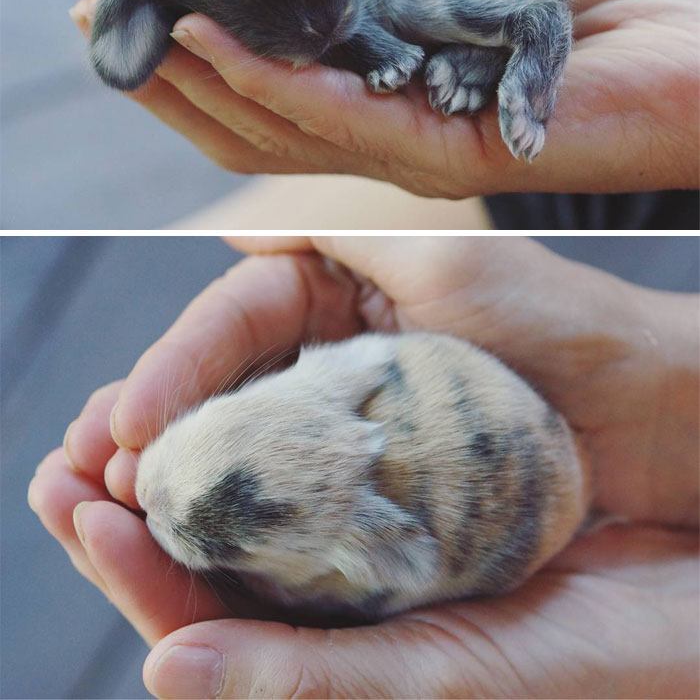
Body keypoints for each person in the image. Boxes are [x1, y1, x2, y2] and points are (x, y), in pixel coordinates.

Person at [29, 236, 699, 699]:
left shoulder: (371, 524)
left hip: (518, 498)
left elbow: (409, 566)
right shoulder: (337, 373)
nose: (155, 499)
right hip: (501, 446)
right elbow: (374, 363)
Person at [69, 0, 699, 230]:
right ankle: (483, 55)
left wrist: (675, 102)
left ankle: (526, 30)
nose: (328, 27)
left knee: (416, 1)